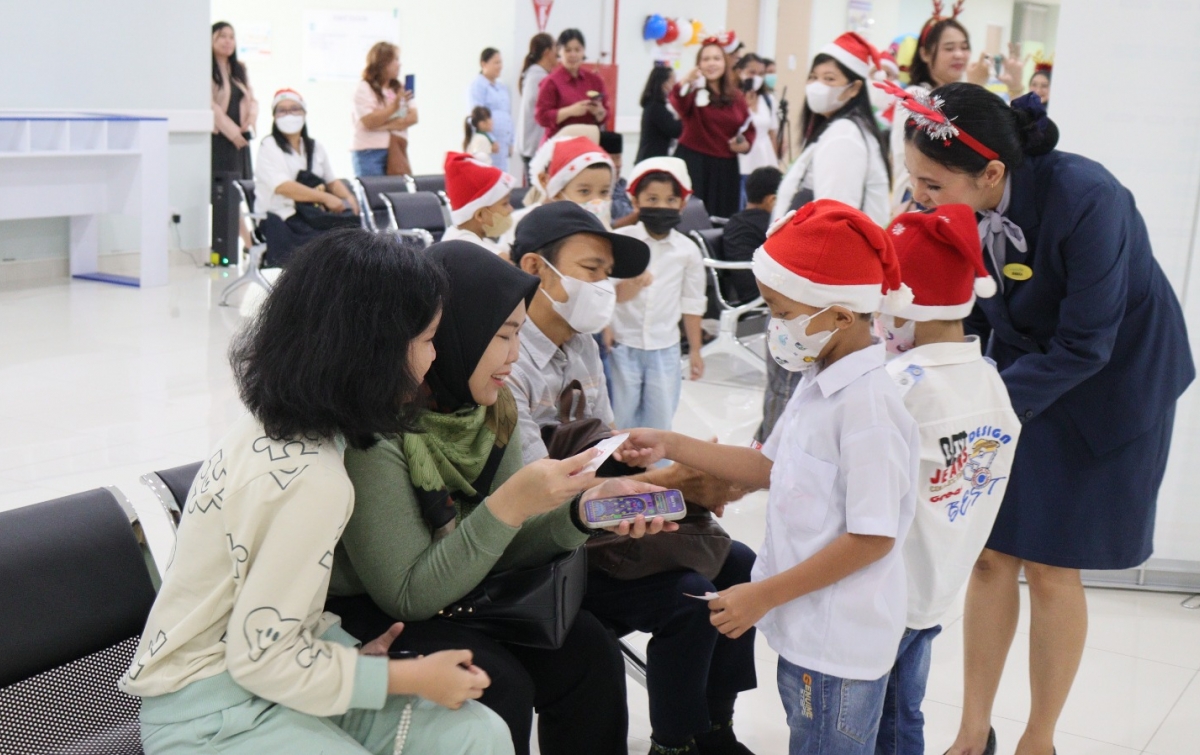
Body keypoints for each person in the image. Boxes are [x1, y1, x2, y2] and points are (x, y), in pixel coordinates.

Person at [120, 230, 512, 755]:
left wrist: (348, 659)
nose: (435, 357)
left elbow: (271, 612)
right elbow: (262, 659)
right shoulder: (315, 481)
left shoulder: (275, 429)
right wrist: (412, 679)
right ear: (373, 353)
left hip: (259, 682)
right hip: (212, 716)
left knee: (478, 735)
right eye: (426, 340)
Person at [892, 83, 1194, 755]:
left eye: (931, 183)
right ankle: (973, 730)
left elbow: (1089, 343)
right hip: (1023, 371)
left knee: (1055, 563)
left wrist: (986, 401)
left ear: (992, 173)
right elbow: (961, 303)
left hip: (1110, 385)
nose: (918, 196)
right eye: (913, 178)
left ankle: (1040, 737)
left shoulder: (1089, 199)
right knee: (991, 555)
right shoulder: (954, 202)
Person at [325, 241, 679, 755]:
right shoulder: (376, 432)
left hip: (464, 589)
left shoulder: (492, 408)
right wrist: (510, 505)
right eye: (504, 334)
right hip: (375, 612)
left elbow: (503, 545)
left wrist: (582, 513)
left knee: (588, 651)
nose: (515, 354)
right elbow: (407, 594)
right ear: (445, 336)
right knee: (498, 684)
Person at [615, 199, 920, 755]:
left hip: (839, 643)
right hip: (806, 628)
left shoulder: (868, 409)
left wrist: (761, 596)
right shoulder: (820, 378)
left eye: (781, 312)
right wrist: (673, 442)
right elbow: (766, 467)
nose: (774, 325)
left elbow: (873, 536)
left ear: (840, 316)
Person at [509, 200, 760, 755]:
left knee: (740, 563)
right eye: (591, 271)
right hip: (547, 545)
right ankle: (674, 741)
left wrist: (682, 482)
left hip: (598, 523)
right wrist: (675, 487)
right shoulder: (506, 357)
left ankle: (716, 725)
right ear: (534, 268)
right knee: (691, 596)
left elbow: (604, 453)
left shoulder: (579, 346)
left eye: (607, 274)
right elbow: (544, 498)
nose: (604, 286)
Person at [872, 205, 1021, 755]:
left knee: (872, 720)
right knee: (905, 711)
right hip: (935, 590)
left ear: (904, 303)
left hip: (882, 594)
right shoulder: (990, 382)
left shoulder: (901, 385)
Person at [763, 32, 892, 442]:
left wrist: (799, 299)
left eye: (830, 77)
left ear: (855, 87)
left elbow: (832, 222)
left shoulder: (843, 137)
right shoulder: (844, 131)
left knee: (795, 398)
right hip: (819, 295)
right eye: (815, 76)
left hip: (812, 297)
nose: (818, 86)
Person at [609, 159, 706, 431]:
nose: (662, 206)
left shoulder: (687, 250)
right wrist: (626, 288)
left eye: (670, 199)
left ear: (682, 205)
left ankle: (654, 474)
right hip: (621, 346)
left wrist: (696, 350)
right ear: (635, 200)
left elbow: (692, 303)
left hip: (665, 348)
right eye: (652, 198)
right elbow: (604, 293)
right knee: (617, 420)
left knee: (659, 424)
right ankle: (610, 471)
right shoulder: (621, 242)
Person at [256, 90, 361, 267]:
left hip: (313, 215)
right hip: (282, 218)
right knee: (325, 248)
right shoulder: (269, 146)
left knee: (352, 232)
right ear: (274, 116)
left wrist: (348, 198)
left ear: (304, 113)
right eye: (282, 110)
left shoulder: (314, 147)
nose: (289, 114)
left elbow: (331, 181)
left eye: (294, 108)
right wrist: (325, 197)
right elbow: (283, 187)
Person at [670, 39, 754, 219]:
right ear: (699, 64)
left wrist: (744, 144)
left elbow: (748, 127)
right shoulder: (692, 92)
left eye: (717, 58)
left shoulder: (736, 96)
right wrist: (686, 80)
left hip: (726, 166)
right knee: (690, 217)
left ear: (725, 63)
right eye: (706, 59)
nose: (711, 63)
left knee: (721, 218)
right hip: (694, 162)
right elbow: (677, 100)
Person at [352, 42, 418, 177]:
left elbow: (413, 117)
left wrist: (383, 126)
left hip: (396, 149)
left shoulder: (399, 87)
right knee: (374, 193)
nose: (399, 64)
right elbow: (370, 121)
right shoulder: (364, 88)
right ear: (383, 63)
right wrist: (395, 107)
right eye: (395, 60)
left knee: (397, 193)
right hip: (369, 152)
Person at [536, 29, 609, 141]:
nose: (573, 54)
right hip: (558, 144)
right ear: (559, 52)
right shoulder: (551, 82)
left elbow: (606, 113)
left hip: (588, 143)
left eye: (577, 50)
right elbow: (541, 117)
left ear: (583, 51)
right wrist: (570, 111)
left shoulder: (595, 81)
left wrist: (600, 112)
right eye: (568, 50)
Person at [722, 166, 782, 303]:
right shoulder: (770, 225)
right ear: (771, 200)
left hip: (753, 290)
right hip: (763, 294)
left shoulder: (737, 221)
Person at [211, 22, 257, 185]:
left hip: (241, 136)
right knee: (222, 191)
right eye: (222, 36)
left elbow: (251, 99)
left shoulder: (239, 68)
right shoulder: (206, 69)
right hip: (220, 137)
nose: (228, 41)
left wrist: (250, 121)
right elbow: (210, 105)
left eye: (232, 37)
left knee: (240, 190)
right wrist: (232, 132)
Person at [442, 151, 513, 254]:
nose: (511, 209)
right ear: (480, 214)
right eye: (505, 204)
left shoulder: (459, 235)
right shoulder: (470, 250)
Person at [733, 54, 779, 208]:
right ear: (740, 72)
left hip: (765, 160)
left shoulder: (768, 100)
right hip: (743, 162)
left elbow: (772, 133)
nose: (756, 78)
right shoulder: (733, 99)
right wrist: (747, 108)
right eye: (752, 73)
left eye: (761, 74)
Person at [517, 33, 557, 182]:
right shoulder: (539, 78)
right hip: (534, 146)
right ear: (547, 53)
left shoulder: (534, 74)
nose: (557, 54)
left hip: (531, 145)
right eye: (555, 50)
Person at [469, 48, 515, 172]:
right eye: (496, 63)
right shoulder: (478, 85)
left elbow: (507, 114)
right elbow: (478, 115)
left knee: (503, 176)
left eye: (500, 62)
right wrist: (490, 139)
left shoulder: (501, 87)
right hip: (489, 142)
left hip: (503, 142)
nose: (500, 66)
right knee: (489, 173)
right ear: (484, 64)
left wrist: (511, 141)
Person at [636, 65, 683, 163]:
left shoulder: (656, 105)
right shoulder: (655, 107)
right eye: (673, 81)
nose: (675, 84)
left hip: (653, 158)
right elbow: (675, 130)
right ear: (664, 83)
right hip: (651, 160)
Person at [599, 130, 635, 226]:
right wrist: (636, 216)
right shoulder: (597, 193)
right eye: (612, 159)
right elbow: (607, 226)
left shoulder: (624, 185)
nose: (617, 165)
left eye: (618, 158)